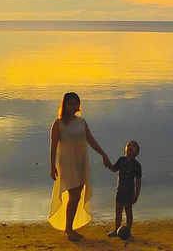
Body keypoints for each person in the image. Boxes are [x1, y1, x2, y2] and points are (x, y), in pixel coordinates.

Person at [49, 92, 111, 241]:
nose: (73, 106)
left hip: (81, 162)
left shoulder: (81, 122)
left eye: (75, 104)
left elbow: (90, 139)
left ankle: (69, 228)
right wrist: (52, 166)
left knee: (76, 197)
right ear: (65, 105)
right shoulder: (58, 123)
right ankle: (68, 229)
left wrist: (103, 154)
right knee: (74, 195)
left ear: (78, 105)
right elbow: (53, 146)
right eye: (70, 104)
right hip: (67, 163)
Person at [104, 140, 142, 238]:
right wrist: (108, 164)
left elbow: (138, 180)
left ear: (137, 152)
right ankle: (116, 230)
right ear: (124, 149)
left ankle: (128, 231)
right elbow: (114, 169)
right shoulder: (121, 160)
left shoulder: (137, 165)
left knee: (128, 211)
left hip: (129, 192)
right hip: (120, 191)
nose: (130, 147)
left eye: (133, 146)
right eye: (128, 145)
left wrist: (136, 194)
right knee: (118, 211)